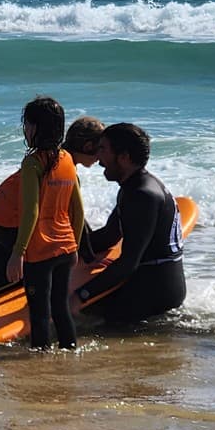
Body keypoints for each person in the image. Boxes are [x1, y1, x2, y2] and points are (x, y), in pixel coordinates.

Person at [0, 114, 102, 307]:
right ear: (89, 146)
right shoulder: (63, 167)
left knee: (12, 274)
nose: (101, 157)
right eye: (101, 149)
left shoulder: (50, 158)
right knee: (34, 270)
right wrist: (89, 258)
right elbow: (75, 215)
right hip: (7, 222)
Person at [70, 122, 185, 326]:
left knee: (78, 321)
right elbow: (109, 236)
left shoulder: (142, 196)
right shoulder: (135, 187)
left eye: (103, 149)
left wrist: (81, 296)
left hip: (154, 295)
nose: (99, 159)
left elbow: (128, 263)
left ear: (124, 157)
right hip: (154, 284)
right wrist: (64, 252)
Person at [3, 96, 82, 350]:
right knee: (60, 310)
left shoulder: (33, 163)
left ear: (36, 127)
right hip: (66, 249)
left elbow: (31, 212)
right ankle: (70, 352)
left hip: (41, 253)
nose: (25, 130)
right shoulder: (67, 159)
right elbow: (78, 210)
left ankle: (40, 365)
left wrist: (18, 253)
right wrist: (75, 246)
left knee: (39, 315)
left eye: (26, 124)